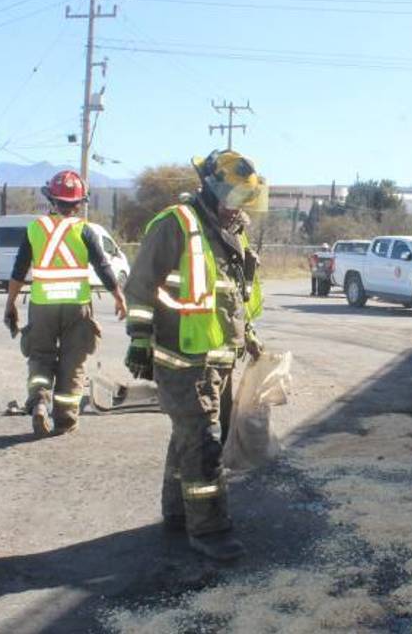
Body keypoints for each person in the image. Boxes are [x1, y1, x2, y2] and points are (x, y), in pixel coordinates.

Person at [122, 149, 266, 562]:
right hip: (182, 360)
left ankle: (177, 512)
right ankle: (210, 529)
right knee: (204, 442)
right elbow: (141, 286)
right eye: (235, 198)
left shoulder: (232, 232)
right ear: (211, 189)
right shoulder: (176, 225)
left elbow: (232, 296)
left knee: (187, 437)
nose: (240, 207)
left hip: (218, 361)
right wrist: (139, 337)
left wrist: (249, 333)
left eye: (245, 200)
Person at [3, 170, 127, 437]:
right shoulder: (85, 231)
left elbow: (18, 270)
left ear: (51, 199)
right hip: (76, 308)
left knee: (40, 358)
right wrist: (119, 296)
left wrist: (10, 303)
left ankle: (38, 402)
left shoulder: (35, 229)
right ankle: (65, 420)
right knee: (73, 363)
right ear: (80, 202)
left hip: (42, 306)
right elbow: (103, 267)